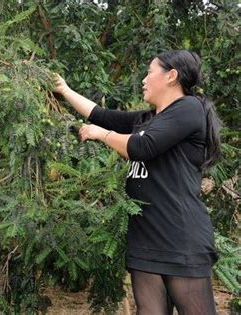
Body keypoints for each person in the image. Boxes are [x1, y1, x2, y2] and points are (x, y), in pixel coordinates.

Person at [52, 49, 221, 315]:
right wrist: (65, 90)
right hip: (145, 238)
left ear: (171, 76)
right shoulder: (147, 119)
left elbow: (142, 146)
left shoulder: (189, 108)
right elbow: (99, 114)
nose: (144, 79)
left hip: (181, 240)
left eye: (150, 72)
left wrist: (103, 135)